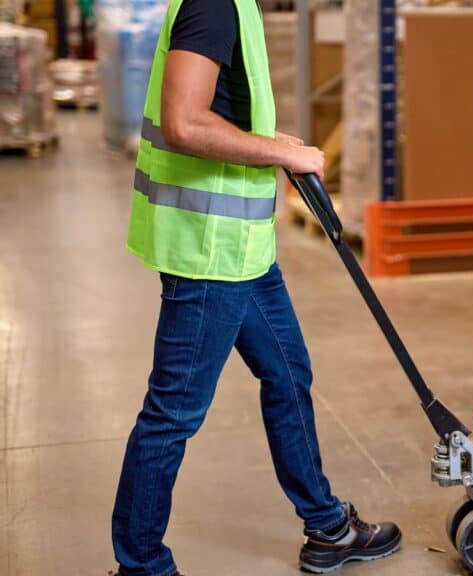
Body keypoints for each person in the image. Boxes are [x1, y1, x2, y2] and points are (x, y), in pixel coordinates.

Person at [111, 0, 402, 574]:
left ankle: (327, 529)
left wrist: (270, 139)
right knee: (172, 413)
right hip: (209, 252)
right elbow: (186, 123)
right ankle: (141, 565)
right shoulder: (214, 5)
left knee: (289, 373)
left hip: (243, 249)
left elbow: (217, 106)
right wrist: (280, 153)